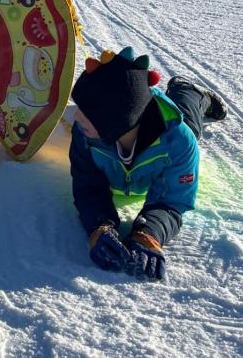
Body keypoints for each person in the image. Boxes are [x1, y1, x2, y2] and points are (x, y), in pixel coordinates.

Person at [69, 46, 227, 282]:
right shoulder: (85, 135)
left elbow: (172, 199)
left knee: (188, 125)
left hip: (165, 130)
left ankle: (188, 91)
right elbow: (88, 186)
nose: (75, 116)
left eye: (86, 112)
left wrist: (149, 232)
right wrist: (99, 226)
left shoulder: (177, 142)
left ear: (115, 121)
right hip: (133, 118)